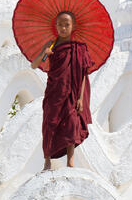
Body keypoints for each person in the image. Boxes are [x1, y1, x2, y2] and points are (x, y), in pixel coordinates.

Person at [31, 11, 94, 171]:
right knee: (49, 124)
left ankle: (70, 162)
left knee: (71, 124)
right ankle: (47, 161)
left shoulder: (78, 49)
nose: (63, 28)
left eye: (67, 24)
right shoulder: (50, 45)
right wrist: (44, 55)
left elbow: (83, 76)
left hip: (72, 93)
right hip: (54, 92)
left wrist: (80, 99)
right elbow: (34, 65)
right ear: (56, 26)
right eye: (60, 24)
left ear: (73, 26)